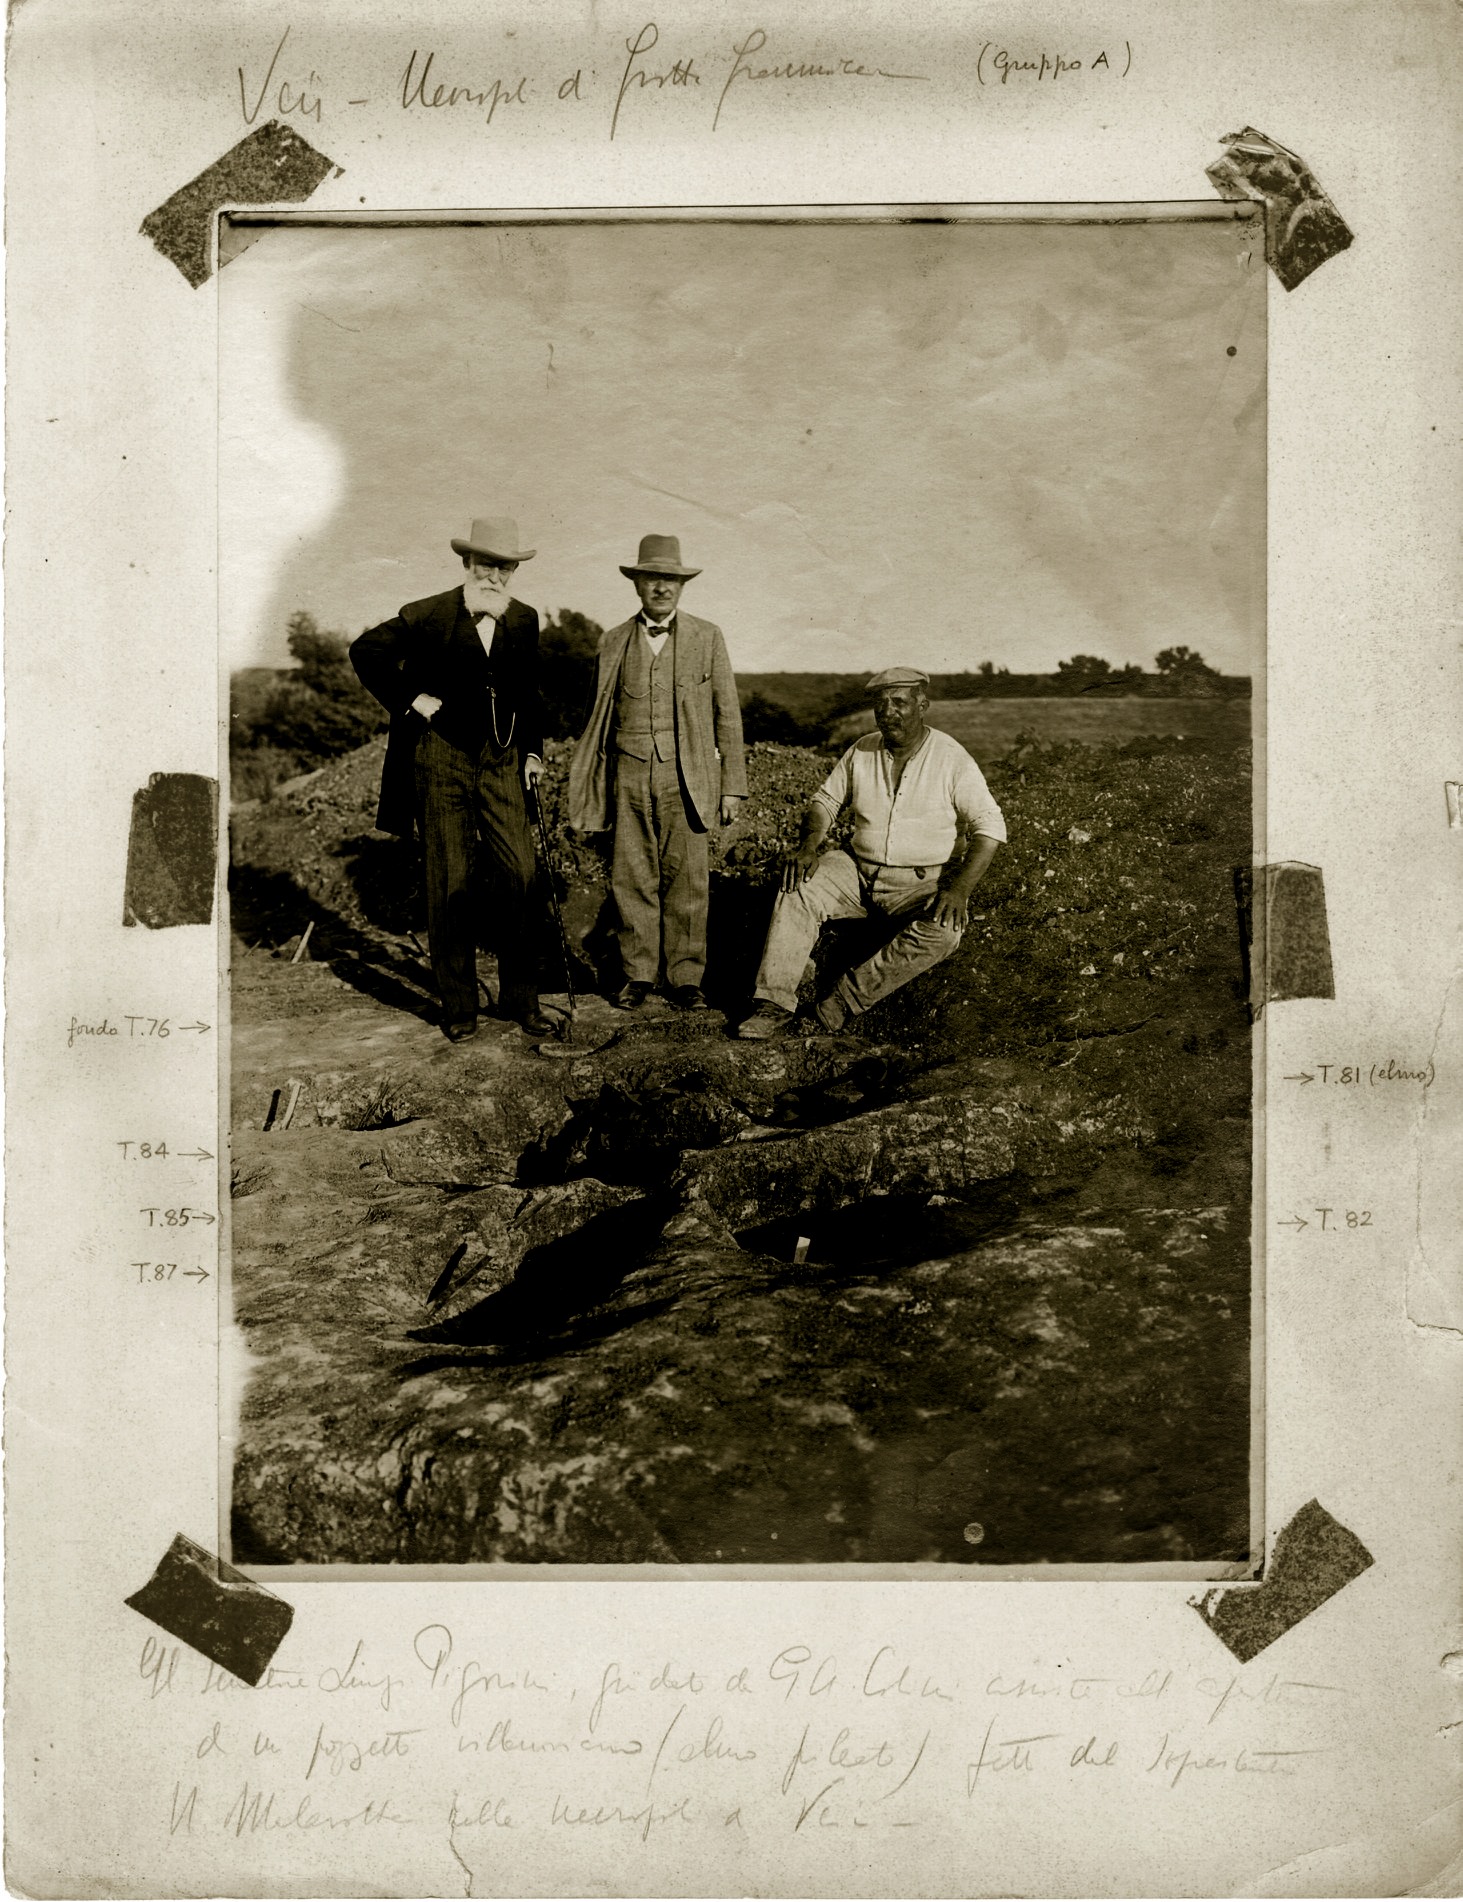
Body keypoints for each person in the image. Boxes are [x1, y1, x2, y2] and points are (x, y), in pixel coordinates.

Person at [350, 516, 553, 1042]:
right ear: (467, 563)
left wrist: (532, 750)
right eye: (486, 563)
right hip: (440, 761)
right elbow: (365, 651)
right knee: (450, 881)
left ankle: (521, 1000)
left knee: (522, 876)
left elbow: (529, 694)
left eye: (505, 566)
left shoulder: (524, 620)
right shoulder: (426, 614)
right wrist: (409, 700)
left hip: (503, 762)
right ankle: (460, 1008)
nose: (495, 575)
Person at [738, 667, 1005, 1038]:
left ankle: (839, 1004)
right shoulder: (861, 749)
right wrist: (809, 846)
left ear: (922, 705)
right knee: (798, 884)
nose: (889, 712)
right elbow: (825, 802)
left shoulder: (951, 758)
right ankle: (772, 1004)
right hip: (856, 870)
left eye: (900, 702)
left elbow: (990, 827)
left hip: (919, 882)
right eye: (881, 704)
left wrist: (958, 890)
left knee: (945, 932)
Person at [568, 534, 747, 1011]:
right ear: (638, 584)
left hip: (687, 778)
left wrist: (732, 787)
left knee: (688, 879)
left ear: (682, 585)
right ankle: (638, 975)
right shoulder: (612, 642)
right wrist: (593, 787)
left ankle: (686, 979)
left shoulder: (708, 637)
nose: (662, 588)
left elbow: (728, 716)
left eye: (670, 579)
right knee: (632, 877)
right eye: (653, 578)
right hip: (627, 775)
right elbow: (596, 719)